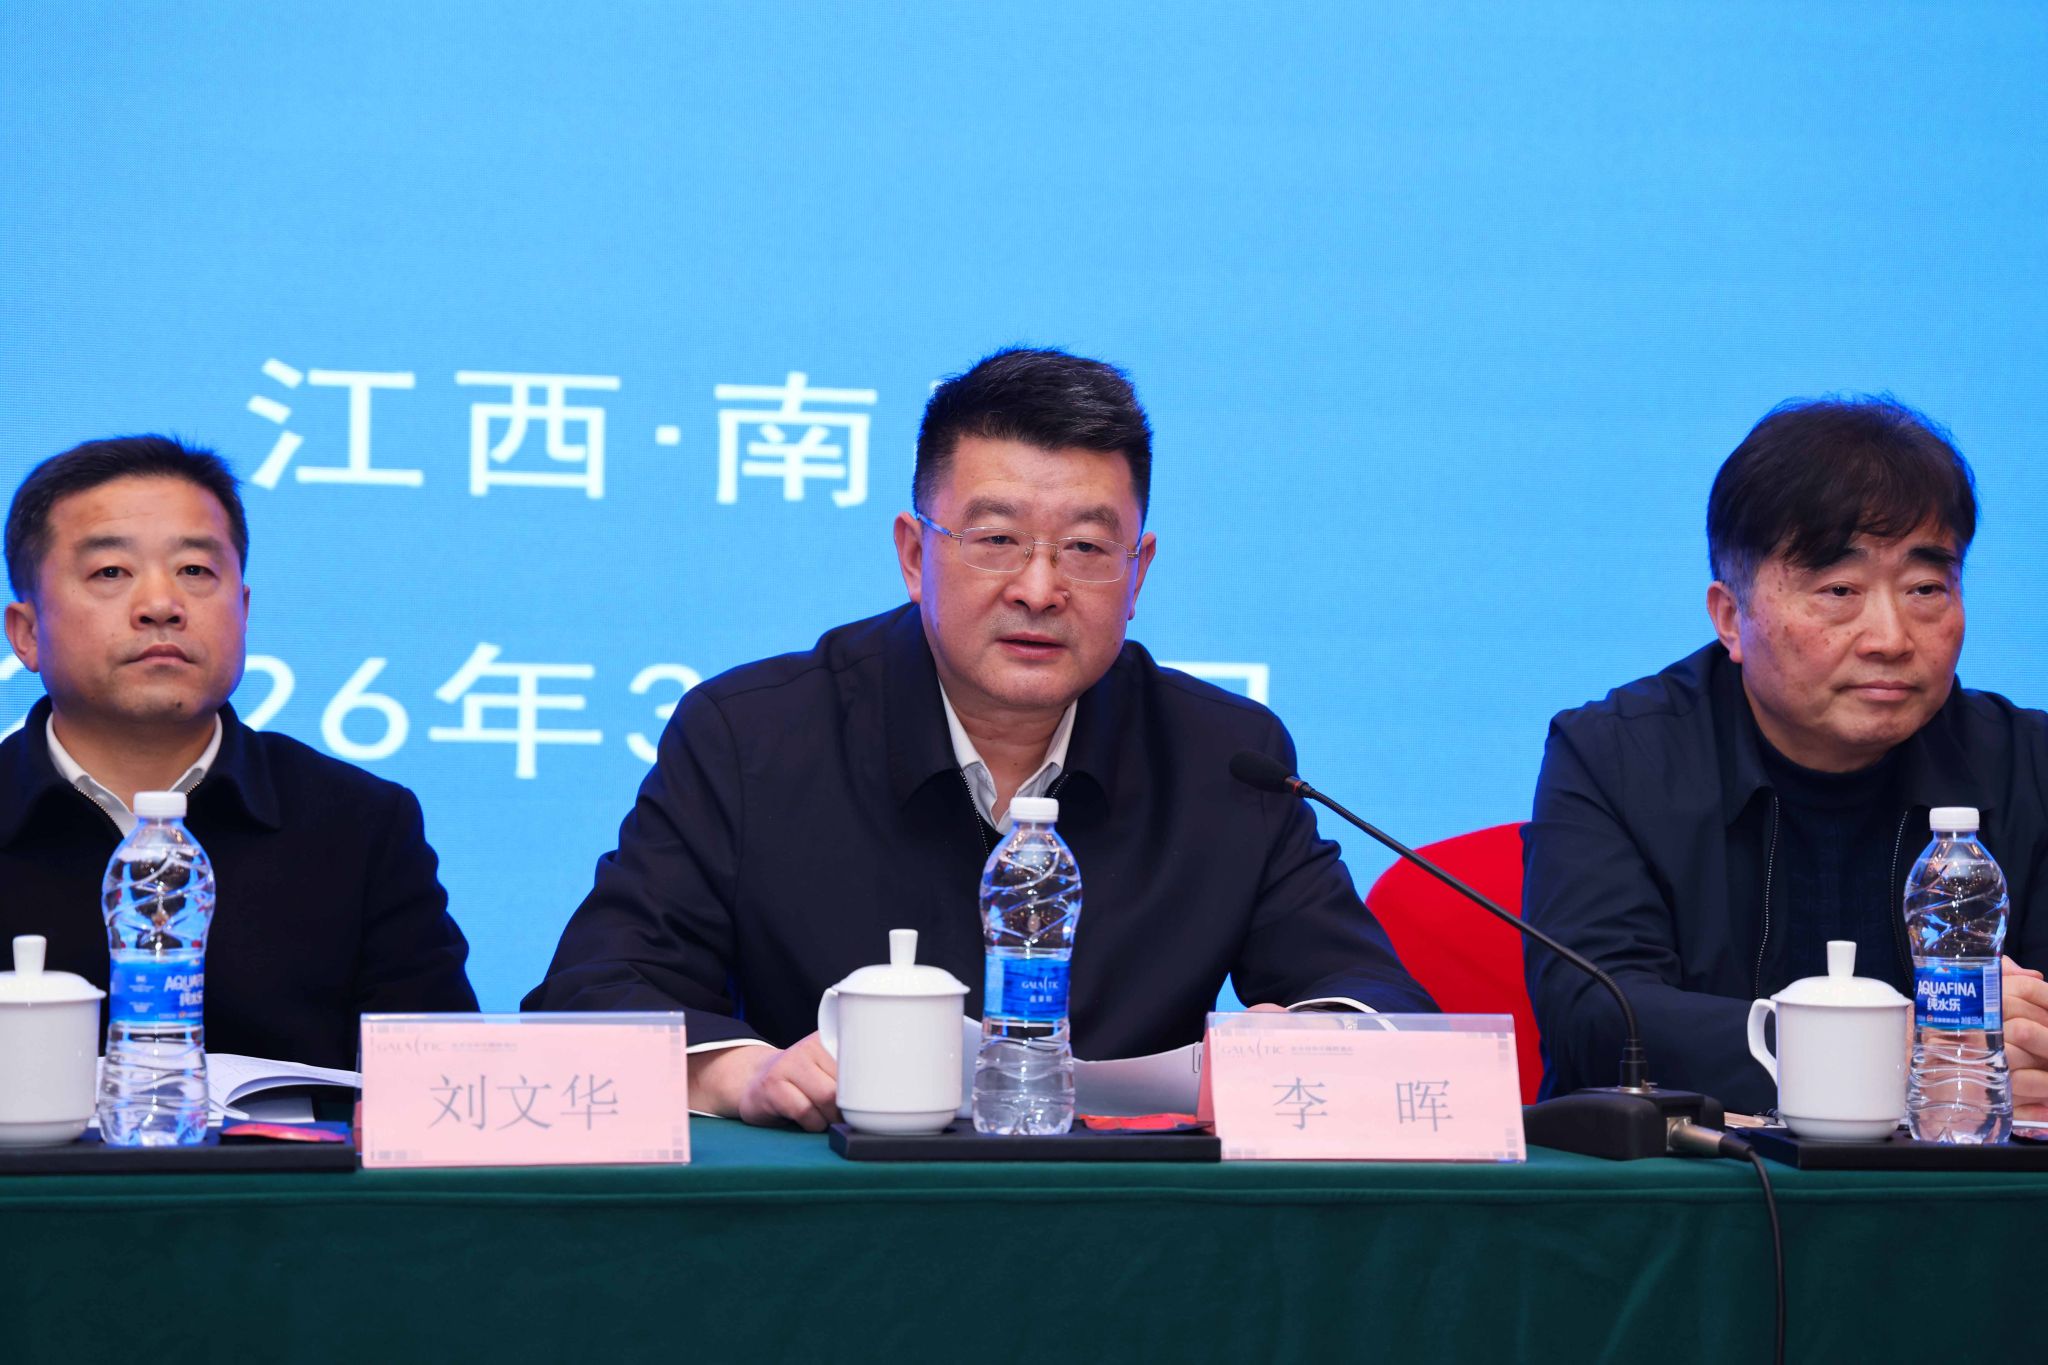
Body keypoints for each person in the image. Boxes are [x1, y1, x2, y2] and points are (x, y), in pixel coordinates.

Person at [526, 347, 1435, 1129]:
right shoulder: (753, 736)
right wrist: (746, 1075)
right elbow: (593, 994)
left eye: (1086, 548)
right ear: (914, 553)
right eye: (997, 539)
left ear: (1138, 571)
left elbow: (1379, 1001)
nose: (1039, 588)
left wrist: (1315, 1040)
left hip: (1133, 1231)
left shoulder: (1225, 758)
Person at [1523, 397, 2048, 1119]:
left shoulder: (2028, 765)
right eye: (1839, 591)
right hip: (1695, 1183)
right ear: (1730, 617)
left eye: (1926, 588)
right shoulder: (1615, 756)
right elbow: (1600, 1016)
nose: (1891, 638)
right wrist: (1879, 1053)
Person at [0, 435, 478, 1069]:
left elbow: (442, 1084)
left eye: (195, 571)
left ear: (243, 610)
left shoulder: (361, 824)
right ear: (27, 633)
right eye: (110, 572)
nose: (161, 606)